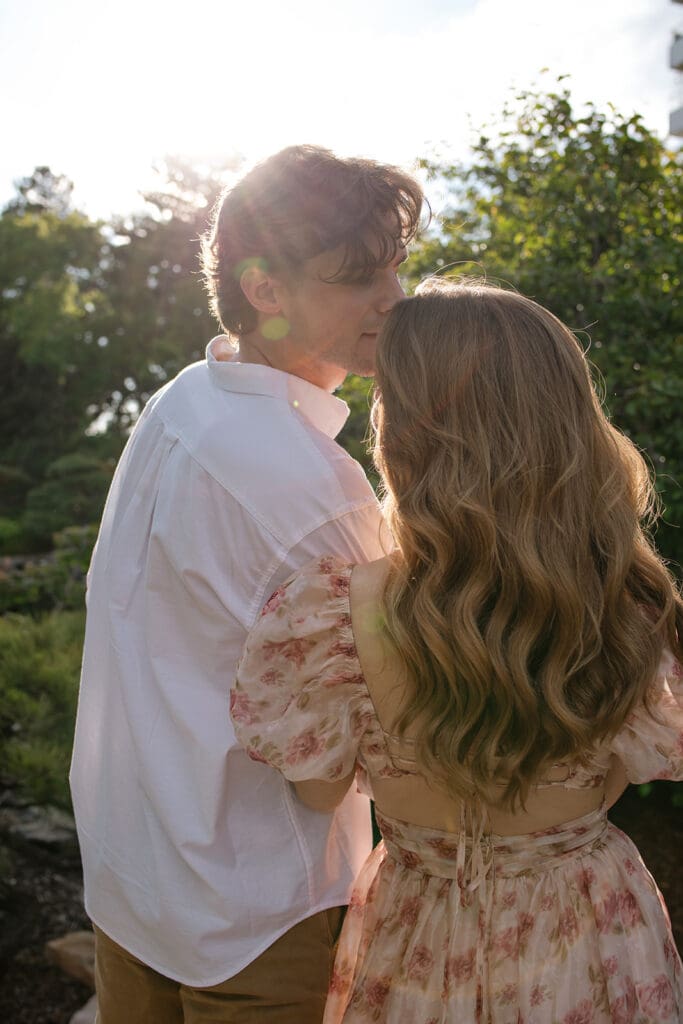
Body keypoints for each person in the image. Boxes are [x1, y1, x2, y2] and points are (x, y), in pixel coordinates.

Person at [232, 278, 683, 1023]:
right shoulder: (625, 603)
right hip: (587, 927)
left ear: (407, 433)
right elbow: (613, 779)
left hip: (419, 932)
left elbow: (317, 792)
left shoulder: (334, 611)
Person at [69, 144, 423, 1023]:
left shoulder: (181, 402)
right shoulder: (312, 487)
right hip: (258, 909)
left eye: (395, 267)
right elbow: (377, 731)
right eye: (358, 277)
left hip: (131, 877)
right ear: (265, 289)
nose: (394, 298)